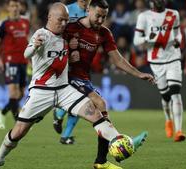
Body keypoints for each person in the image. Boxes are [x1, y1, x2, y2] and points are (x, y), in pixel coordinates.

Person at [0, 3, 148, 169]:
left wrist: (73, 53)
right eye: (60, 20)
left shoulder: (68, 35)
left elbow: (76, 47)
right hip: (41, 91)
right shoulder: (41, 34)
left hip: (64, 89)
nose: (64, 24)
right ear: (50, 17)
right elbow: (26, 53)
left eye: (66, 20)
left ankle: (120, 143)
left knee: (96, 113)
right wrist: (34, 47)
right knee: (19, 132)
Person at [53, 0, 154, 168]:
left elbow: (117, 60)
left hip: (83, 78)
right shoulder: (70, 28)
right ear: (88, 10)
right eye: (98, 15)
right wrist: (67, 53)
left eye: (104, 17)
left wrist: (139, 74)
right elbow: (53, 49)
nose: (100, 20)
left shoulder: (104, 33)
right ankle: (112, 148)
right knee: (100, 103)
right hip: (67, 77)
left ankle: (102, 159)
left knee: (100, 109)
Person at [133, 0, 186, 142]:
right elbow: (136, 41)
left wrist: (177, 41)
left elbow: (178, 34)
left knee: (175, 93)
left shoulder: (173, 14)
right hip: (156, 62)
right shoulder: (144, 16)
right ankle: (168, 120)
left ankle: (179, 130)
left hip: (173, 58)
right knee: (166, 96)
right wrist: (150, 39)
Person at [53, 0, 90, 145]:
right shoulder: (67, 10)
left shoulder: (92, 12)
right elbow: (56, 32)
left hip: (84, 59)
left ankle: (60, 117)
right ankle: (62, 120)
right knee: (80, 96)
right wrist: (68, 44)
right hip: (68, 59)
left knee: (82, 96)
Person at [0, 0, 30, 129]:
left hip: (23, 61)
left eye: (16, 6)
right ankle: (18, 123)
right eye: (12, 6)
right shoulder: (4, 24)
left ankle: (1, 113)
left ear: (19, 7)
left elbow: (27, 40)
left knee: (20, 93)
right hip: (10, 60)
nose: (14, 8)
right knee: (13, 93)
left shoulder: (25, 22)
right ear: (8, 8)